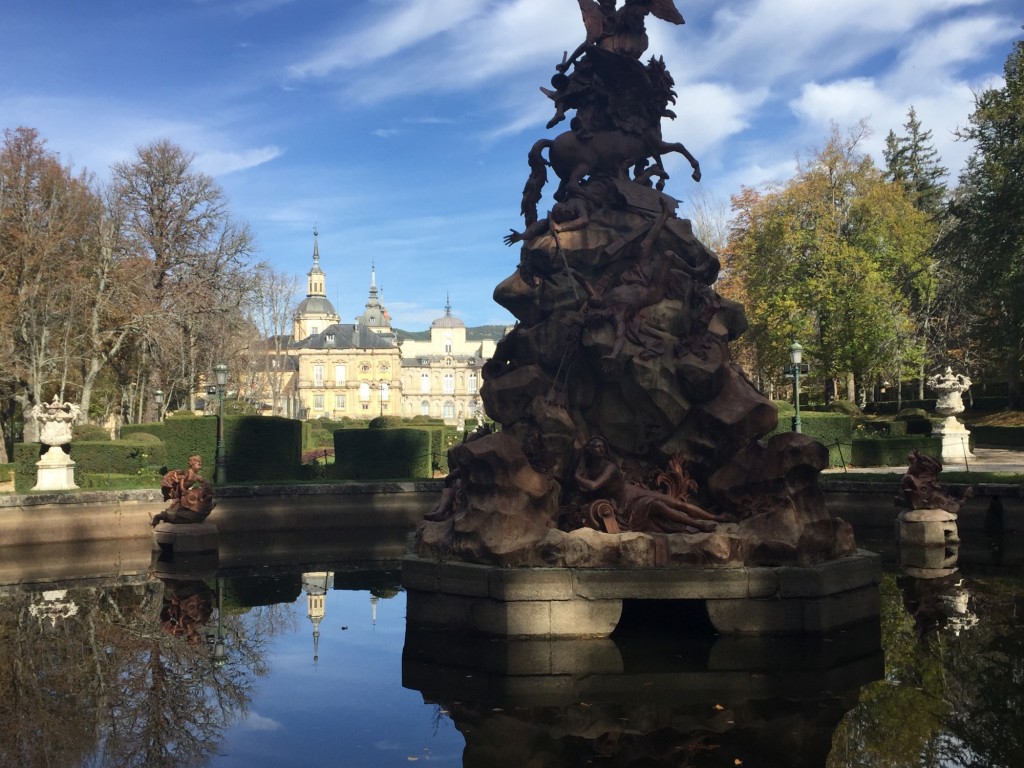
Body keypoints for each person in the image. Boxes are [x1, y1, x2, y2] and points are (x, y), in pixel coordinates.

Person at [574, 436, 719, 533]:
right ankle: (699, 524)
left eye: (602, 447)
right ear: (589, 449)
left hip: (633, 493)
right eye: (596, 447)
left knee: (677, 504)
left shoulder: (609, 467)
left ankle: (715, 518)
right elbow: (591, 489)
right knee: (658, 505)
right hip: (624, 503)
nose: (600, 449)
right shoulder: (589, 470)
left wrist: (577, 478)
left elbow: (593, 486)